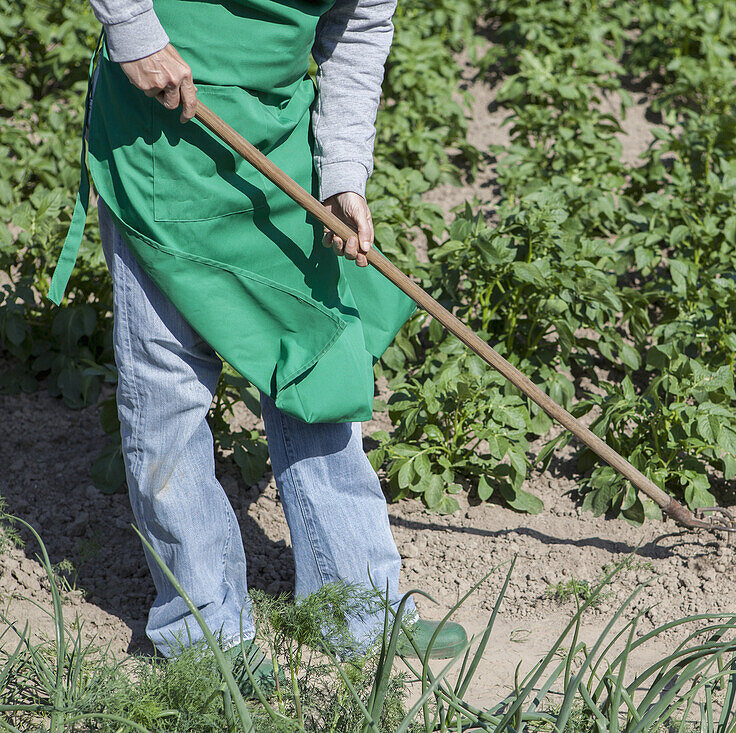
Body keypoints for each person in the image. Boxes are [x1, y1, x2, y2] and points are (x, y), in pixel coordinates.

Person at [53, 0, 467, 673]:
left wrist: (342, 176)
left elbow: (358, 26)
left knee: (315, 357)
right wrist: (131, 29)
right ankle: (204, 631)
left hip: (274, 137)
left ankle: (357, 604)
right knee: (169, 385)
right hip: (159, 130)